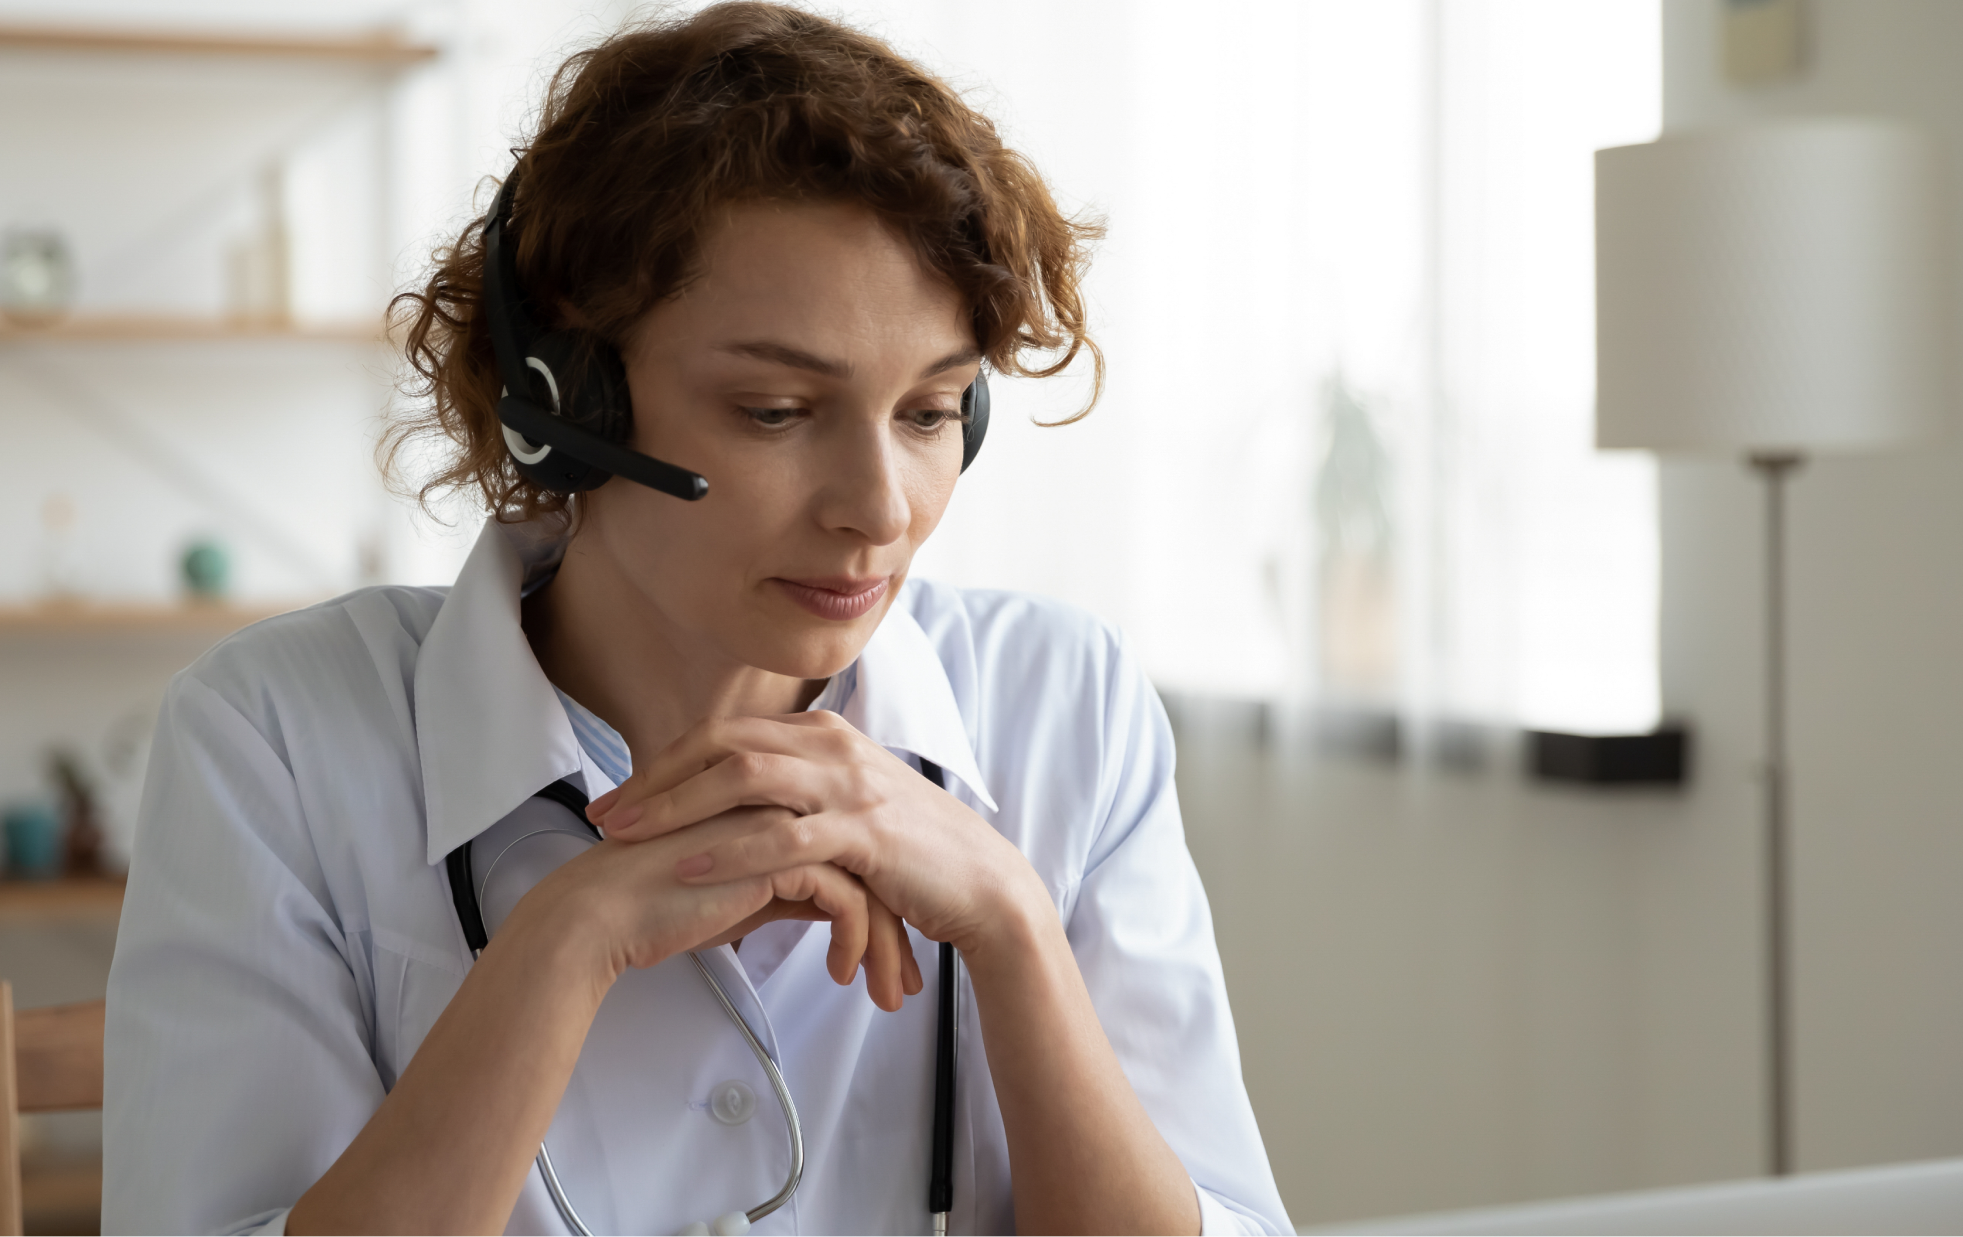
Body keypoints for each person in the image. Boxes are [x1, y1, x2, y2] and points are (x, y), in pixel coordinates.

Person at [102, 6, 1290, 1236]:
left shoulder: (1065, 704)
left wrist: (1012, 923)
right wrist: (566, 943)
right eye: (776, 410)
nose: (879, 510)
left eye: (932, 412)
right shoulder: (276, 739)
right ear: (562, 402)